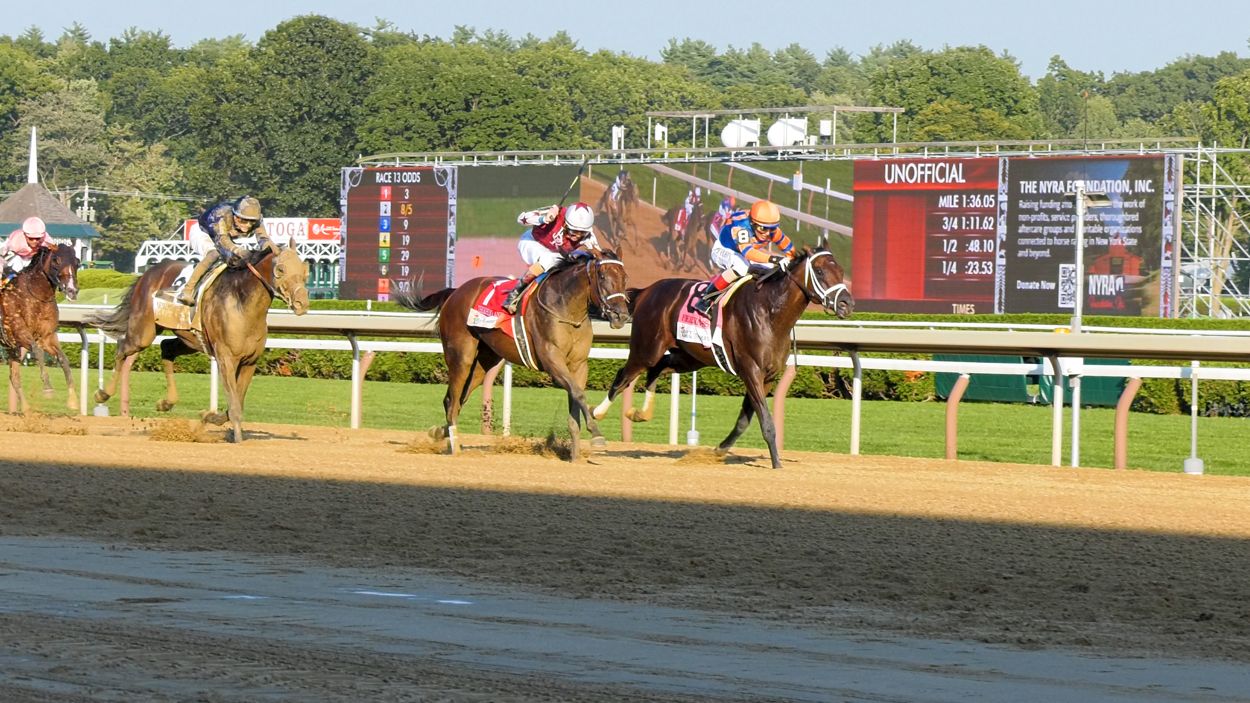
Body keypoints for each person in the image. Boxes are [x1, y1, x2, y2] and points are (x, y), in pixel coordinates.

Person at [694, 199, 794, 314]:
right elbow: (748, 252)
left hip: (743, 253)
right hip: (724, 249)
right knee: (741, 266)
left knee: (771, 268)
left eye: (772, 228)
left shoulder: (771, 230)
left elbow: (790, 250)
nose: (767, 233)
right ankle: (706, 299)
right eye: (763, 228)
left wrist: (792, 261)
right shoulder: (741, 226)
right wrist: (774, 258)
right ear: (752, 223)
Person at [503, 201, 600, 314]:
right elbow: (521, 218)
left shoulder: (588, 235)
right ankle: (514, 294)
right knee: (549, 260)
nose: (577, 236)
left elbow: (598, 255)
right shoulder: (557, 213)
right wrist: (543, 219)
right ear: (565, 223)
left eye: (582, 233)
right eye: (573, 231)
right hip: (532, 242)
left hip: (556, 252)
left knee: (584, 257)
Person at [178, 196, 275, 305]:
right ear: (234, 215)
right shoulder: (221, 215)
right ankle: (187, 290)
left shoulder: (256, 218)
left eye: (252, 222)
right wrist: (238, 250)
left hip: (223, 236)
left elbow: (263, 239)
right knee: (214, 254)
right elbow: (222, 240)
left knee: (238, 259)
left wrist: (276, 251)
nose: (247, 225)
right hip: (202, 232)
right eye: (242, 220)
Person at [0, 216, 54, 285]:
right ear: (25, 235)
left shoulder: (47, 240)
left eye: (38, 238)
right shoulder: (15, 243)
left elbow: (56, 252)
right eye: (31, 238)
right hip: (16, 256)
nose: (34, 241)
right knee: (18, 264)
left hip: (32, 258)